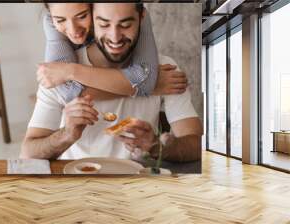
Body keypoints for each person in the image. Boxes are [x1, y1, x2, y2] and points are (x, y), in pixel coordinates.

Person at [21, 3, 202, 162]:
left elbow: (196, 145)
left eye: (126, 24)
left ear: (141, 18)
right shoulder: (58, 74)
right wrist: (66, 134)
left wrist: (156, 146)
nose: (115, 38)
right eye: (104, 24)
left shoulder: (165, 70)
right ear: (92, 17)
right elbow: (28, 153)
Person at [38, 3, 188, 103]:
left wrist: (70, 71)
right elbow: (68, 91)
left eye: (82, 16)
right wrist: (148, 89)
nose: (73, 30)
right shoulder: (50, 22)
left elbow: (145, 77)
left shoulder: (137, 13)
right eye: (60, 20)